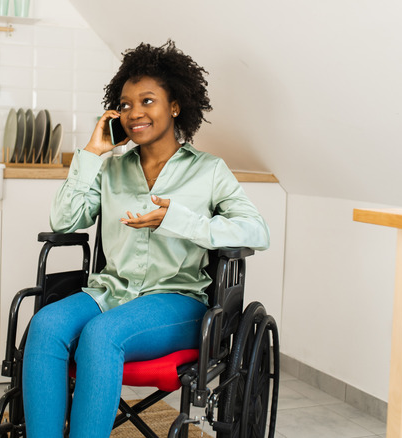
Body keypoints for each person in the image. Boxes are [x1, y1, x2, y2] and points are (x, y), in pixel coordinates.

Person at [21, 40, 270, 438]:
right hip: (110, 292)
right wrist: (90, 153)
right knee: (46, 325)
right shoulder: (111, 169)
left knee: (102, 336)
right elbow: (64, 219)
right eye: (125, 104)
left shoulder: (209, 170)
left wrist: (177, 219)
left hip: (177, 301)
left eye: (148, 101)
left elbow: (256, 231)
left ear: (175, 106)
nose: (134, 113)